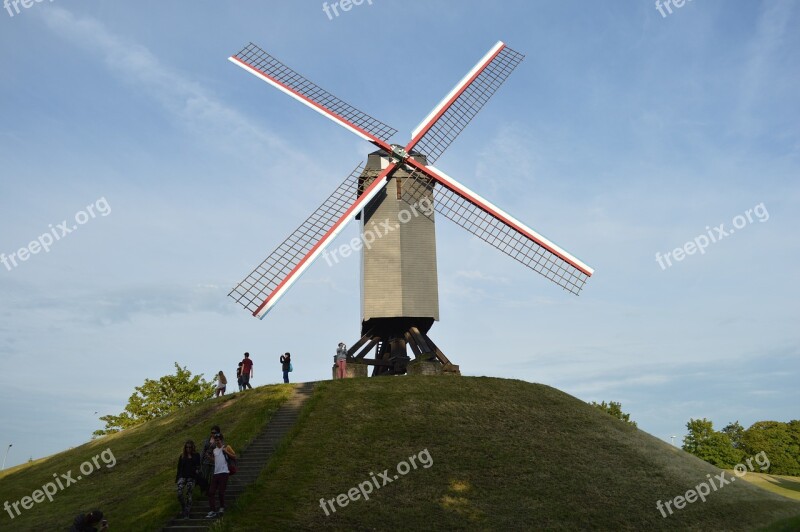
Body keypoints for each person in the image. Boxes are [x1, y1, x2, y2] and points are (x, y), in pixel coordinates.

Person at [206, 432, 230, 518]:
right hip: (216, 473)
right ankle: (213, 510)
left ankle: (222, 507)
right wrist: (210, 458)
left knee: (221, 492)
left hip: (224, 472)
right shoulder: (214, 450)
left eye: (219, 440)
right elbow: (216, 460)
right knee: (211, 492)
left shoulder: (226, 447)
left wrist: (226, 452)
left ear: (221, 440)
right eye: (216, 440)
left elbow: (234, 456)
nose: (217, 441)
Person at [176, 440, 201, 519]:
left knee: (188, 493)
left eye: (190, 447)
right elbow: (179, 468)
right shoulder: (182, 456)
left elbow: (198, 466)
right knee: (179, 493)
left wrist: (196, 474)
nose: (188, 449)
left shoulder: (196, 455)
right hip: (183, 476)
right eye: (187, 447)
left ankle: (187, 512)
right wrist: (178, 478)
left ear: (193, 447)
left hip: (192, 477)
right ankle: (184, 507)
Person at [198, 425, 221, 493]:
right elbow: (203, 450)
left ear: (218, 433)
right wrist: (200, 460)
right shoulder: (207, 440)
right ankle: (205, 490)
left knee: (213, 477)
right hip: (206, 461)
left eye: (215, 432)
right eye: (212, 432)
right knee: (205, 477)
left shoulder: (220, 440)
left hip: (214, 461)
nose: (213, 434)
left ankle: (211, 491)